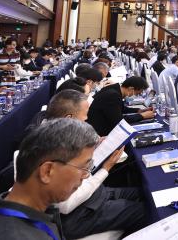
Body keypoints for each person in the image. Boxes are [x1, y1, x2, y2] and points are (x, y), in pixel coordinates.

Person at [0, 119, 98, 240]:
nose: (85, 175)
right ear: (47, 171)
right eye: (84, 167)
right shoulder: (12, 236)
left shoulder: (28, 211)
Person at [43, 92, 146, 238]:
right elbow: (66, 205)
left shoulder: (57, 135)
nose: (87, 121)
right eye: (84, 118)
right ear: (69, 119)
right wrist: (105, 168)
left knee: (145, 194)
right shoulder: (51, 147)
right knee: (146, 211)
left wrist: (95, 147)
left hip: (93, 196)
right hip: (78, 215)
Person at [86, 76, 154, 136]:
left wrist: (139, 110)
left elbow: (120, 108)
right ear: (131, 89)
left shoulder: (115, 89)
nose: (136, 96)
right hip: (98, 132)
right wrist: (142, 116)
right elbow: (120, 121)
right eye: (137, 94)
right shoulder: (113, 95)